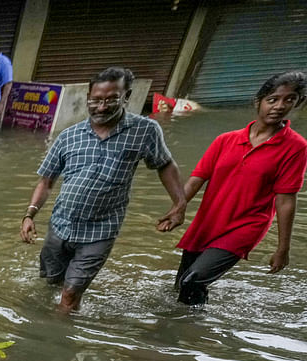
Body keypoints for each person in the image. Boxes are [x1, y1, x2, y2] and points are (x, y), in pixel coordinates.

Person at [19, 67, 187, 311]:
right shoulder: (69, 136)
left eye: (111, 99)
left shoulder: (145, 131)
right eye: (96, 100)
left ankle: (57, 339)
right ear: (88, 97)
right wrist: (29, 215)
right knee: (51, 282)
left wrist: (179, 204)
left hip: (100, 231)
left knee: (71, 294)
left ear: (126, 97)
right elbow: (46, 181)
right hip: (60, 226)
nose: (101, 106)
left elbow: (165, 164)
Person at [174, 71, 307, 305]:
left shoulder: (295, 147)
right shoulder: (226, 139)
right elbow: (197, 178)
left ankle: (188, 333)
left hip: (246, 225)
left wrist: (283, 247)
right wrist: (178, 208)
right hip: (209, 220)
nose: (279, 106)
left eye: (289, 100)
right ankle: (186, 326)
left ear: (297, 103)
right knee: (180, 285)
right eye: (273, 99)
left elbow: (286, 199)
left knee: (193, 281)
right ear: (258, 101)